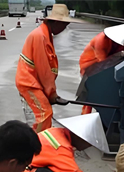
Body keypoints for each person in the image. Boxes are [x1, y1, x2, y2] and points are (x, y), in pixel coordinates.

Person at [16, 4, 81, 133]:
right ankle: (37, 142)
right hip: (28, 82)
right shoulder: (40, 36)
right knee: (44, 114)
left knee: (43, 114)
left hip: (34, 81)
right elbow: (44, 71)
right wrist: (52, 95)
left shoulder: (45, 35)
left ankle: (38, 138)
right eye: (64, 24)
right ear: (56, 22)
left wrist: (50, 94)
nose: (65, 28)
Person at [79, 23, 124, 115]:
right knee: (91, 93)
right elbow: (102, 62)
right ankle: (85, 115)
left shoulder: (121, 42)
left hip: (106, 62)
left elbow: (122, 54)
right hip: (91, 64)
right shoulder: (100, 40)